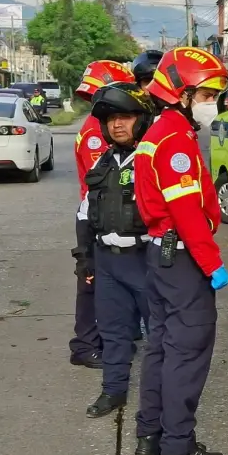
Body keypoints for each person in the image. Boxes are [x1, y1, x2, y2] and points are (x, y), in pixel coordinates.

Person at [133, 46, 228, 455]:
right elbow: (187, 212)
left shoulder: (163, 131)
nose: (215, 103)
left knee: (161, 347)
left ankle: (150, 436)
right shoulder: (173, 139)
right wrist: (212, 264)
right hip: (182, 258)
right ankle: (178, 450)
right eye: (207, 94)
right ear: (181, 93)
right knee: (185, 354)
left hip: (161, 255)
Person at [82, 81, 156, 418]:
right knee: (113, 333)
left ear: (141, 119)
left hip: (145, 259)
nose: (117, 124)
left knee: (159, 337)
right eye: (111, 118)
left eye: (125, 117)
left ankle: (158, 403)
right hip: (107, 262)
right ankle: (113, 391)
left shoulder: (152, 159)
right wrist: (84, 258)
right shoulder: (103, 163)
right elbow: (85, 212)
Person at [69, 60, 136, 369]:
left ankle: (109, 337)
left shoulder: (99, 126)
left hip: (102, 216)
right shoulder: (97, 134)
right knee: (91, 283)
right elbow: (102, 184)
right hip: (96, 218)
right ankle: (85, 344)